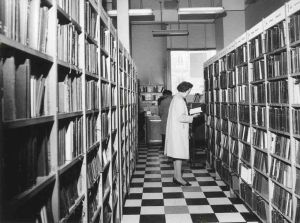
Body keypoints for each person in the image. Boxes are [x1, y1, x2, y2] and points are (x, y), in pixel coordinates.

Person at [164, 81, 200, 186]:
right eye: (190, 90)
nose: (190, 92)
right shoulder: (179, 100)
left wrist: (189, 114)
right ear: (187, 90)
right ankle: (179, 178)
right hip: (178, 132)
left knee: (176, 155)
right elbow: (180, 117)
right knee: (178, 155)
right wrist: (193, 116)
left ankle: (176, 176)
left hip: (176, 131)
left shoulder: (176, 98)